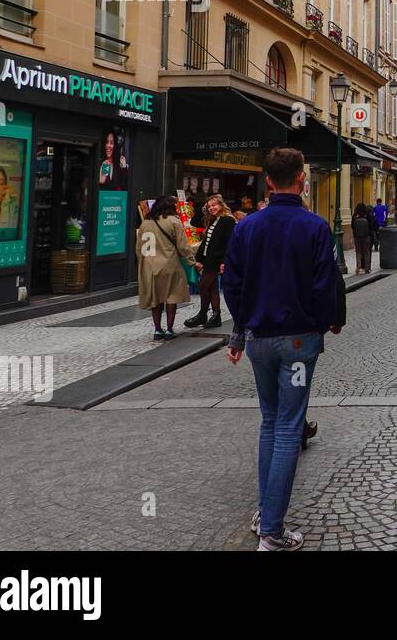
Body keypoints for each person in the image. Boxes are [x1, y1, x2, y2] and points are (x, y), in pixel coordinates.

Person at [222, 147, 342, 551]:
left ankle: (265, 512)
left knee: (270, 423)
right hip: (298, 340)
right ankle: (272, 532)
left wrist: (241, 326)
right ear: (302, 180)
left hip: (259, 339)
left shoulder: (247, 227)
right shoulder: (315, 227)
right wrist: (328, 321)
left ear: (268, 181)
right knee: (289, 425)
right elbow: (326, 283)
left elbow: (232, 283)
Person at [136, 196, 196, 341]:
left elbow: (139, 248)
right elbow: (182, 246)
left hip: (149, 266)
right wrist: (192, 261)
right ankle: (169, 329)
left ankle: (157, 329)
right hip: (169, 264)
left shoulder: (146, 223)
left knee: (155, 299)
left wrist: (142, 263)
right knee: (171, 297)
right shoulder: (174, 221)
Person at [186, 194, 236, 330]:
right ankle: (215, 315)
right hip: (208, 259)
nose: (211, 208)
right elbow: (195, 224)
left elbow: (229, 243)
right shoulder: (213, 220)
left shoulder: (227, 220)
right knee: (212, 288)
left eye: (214, 205)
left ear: (221, 205)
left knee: (203, 286)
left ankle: (203, 314)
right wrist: (202, 209)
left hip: (216, 260)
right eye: (209, 206)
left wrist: (224, 261)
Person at [351, 202, 374, 274]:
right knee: (367, 252)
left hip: (357, 237)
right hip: (366, 237)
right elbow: (371, 225)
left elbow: (352, 225)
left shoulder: (355, 215)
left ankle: (358, 267)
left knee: (358, 252)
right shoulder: (367, 215)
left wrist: (355, 233)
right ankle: (367, 269)